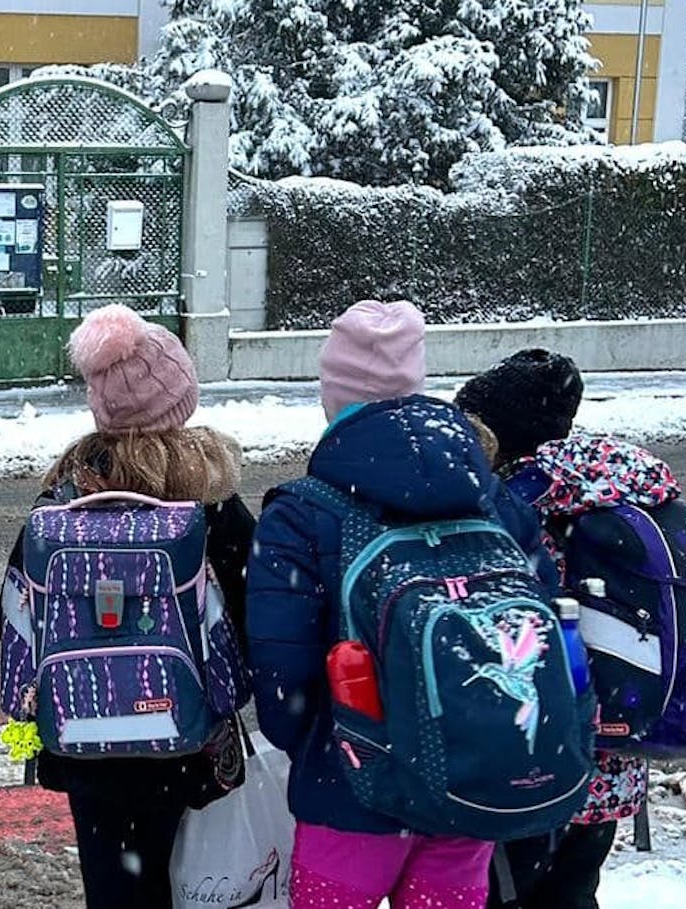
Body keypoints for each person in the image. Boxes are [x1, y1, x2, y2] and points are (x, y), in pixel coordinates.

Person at [245, 301, 564, 909]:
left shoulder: (303, 510)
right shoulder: (490, 496)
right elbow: (542, 619)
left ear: (331, 397)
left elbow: (282, 671)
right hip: (471, 779)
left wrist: (312, 748)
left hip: (351, 783)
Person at [0, 304, 255, 909]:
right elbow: (249, 606)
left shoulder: (62, 498)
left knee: (116, 886)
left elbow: (11, 614)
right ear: (180, 400)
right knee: (202, 875)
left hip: (84, 741)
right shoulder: (210, 496)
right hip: (193, 742)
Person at [458, 350, 649, 909]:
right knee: (574, 891)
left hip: (536, 763)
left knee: (509, 893)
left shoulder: (517, 509)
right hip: (616, 754)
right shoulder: (616, 489)